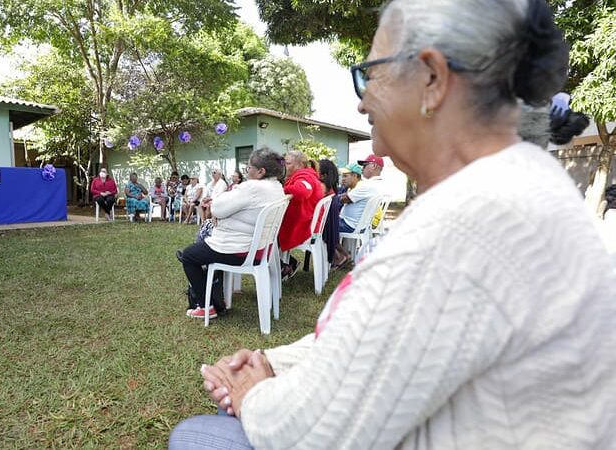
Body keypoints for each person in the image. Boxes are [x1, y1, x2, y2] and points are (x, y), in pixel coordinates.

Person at [169, 0, 615, 448]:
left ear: (433, 79)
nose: (362, 102)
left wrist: (251, 391)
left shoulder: (465, 229)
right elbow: (370, 341)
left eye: (371, 75)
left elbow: (316, 431)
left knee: (195, 437)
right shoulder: (514, 188)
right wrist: (272, 362)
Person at [176, 148, 285, 319]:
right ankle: (215, 297)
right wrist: (218, 204)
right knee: (202, 247)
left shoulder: (253, 187)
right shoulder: (276, 186)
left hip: (239, 249)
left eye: (248, 168)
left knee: (189, 255)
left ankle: (206, 306)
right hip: (262, 249)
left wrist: (215, 206)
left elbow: (218, 209)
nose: (246, 171)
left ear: (261, 171)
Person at [278, 150, 323, 280]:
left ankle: (283, 266)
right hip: (305, 222)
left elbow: (302, 191)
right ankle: (287, 264)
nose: (284, 166)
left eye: (288, 163)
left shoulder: (305, 176)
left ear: (299, 165)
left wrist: (280, 191)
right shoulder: (306, 175)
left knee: (266, 235)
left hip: (303, 226)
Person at [338, 154, 384, 234]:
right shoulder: (377, 183)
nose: (362, 169)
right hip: (362, 225)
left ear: (373, 165)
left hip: (351, 226)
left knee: (323, 222)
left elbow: (342, 200)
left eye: (364, 165)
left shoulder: (367, 185)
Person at [317, 160, 340, 266]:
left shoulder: (321, 187)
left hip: (320, 229)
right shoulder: (331, 188)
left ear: (323, 176)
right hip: (326, 228)